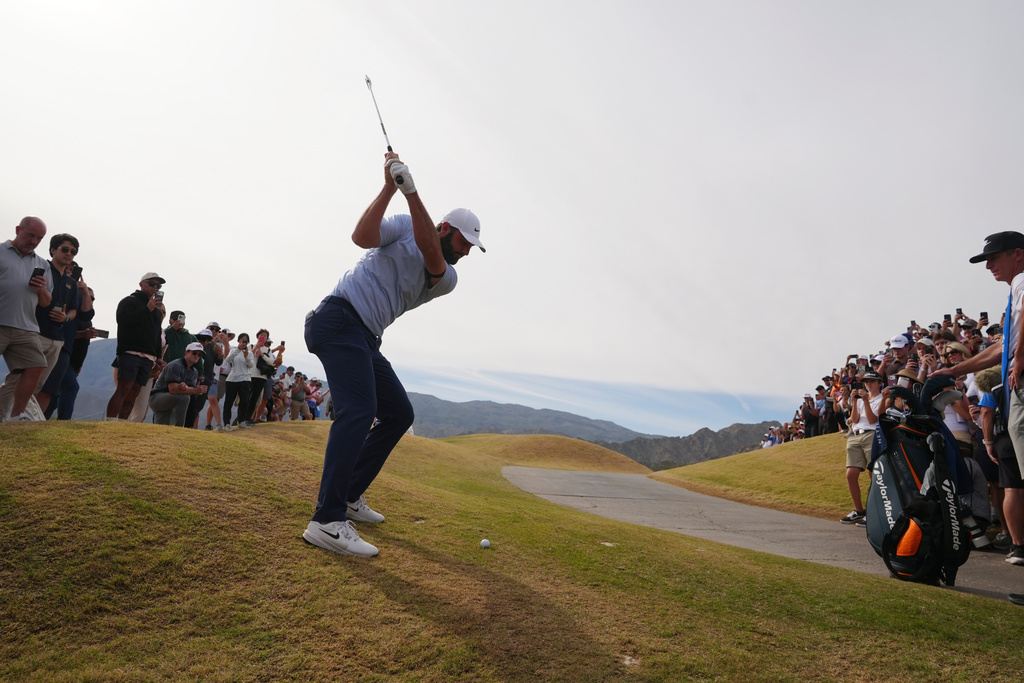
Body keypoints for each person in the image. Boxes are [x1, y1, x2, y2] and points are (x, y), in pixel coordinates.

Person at [301, 152, 484, 558]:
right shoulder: (403, 226)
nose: (467, 252)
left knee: (399, 413)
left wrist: (411, 191)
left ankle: (348, 496)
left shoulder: (447, 276)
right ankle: (327, 521)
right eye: (464, 242)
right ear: (446, 228)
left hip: (365, 338)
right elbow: (361, 238)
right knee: (359, 410)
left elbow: (431, 254)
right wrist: (388, 188)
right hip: (338, 319)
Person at [933, 232, 1024, 575]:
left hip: (1021, 389)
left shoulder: (1022, 281)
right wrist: (955, 368)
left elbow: (1011, 349)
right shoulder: (1013, 289)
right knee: (1015, 483)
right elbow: (1000, 349)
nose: (989, 266)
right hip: (1014, 395)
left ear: (1018, 254)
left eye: (994, 257)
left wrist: (1021, 358)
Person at [0, 217, 53, 421]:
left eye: (39, 238)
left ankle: (16, 416)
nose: (34, 241)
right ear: (17, 230)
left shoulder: (41, 264)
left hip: (26, 326)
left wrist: (41, 290)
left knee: (37, 365)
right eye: (31, 235)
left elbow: (46, 302)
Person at [106, 273, 165, 420]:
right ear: (141, 284)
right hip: (130, 352)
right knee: (124, 387)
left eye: (158, 286)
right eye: (152, 284)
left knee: (135, 390)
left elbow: (156, 334)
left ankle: (122, 422)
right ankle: (110, 421)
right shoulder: (129, 301)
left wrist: (158, 356)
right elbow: (123, 320)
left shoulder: (157, 312)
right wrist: (147, 309)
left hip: (148, 356)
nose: (155, 288)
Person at [840, 371, 883, 527]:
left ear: (879, 382)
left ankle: (876, 511)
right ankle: (859, 511)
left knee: (874, 474)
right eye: (866, 381)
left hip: (871, 435)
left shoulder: (881, 398)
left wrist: (865, 401)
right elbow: (855, 418)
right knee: (851, 474)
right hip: (855, 435)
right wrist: (854, 401)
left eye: (872, 381)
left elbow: (872, 420)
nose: (868, 384)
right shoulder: (858, 399)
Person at [149, 342, 206, 426]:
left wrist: (186, 388)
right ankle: (179, 428)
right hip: (157, 397)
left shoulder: (194, 371)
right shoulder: (175, 365)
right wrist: (193, 390)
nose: (197, 356)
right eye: (194, 353)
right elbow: (173, 390)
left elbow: (189, 391)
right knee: (184, 398)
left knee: (163, 430)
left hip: (169, 400)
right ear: (186, 352)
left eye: (199, 355)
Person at [222, 332, 255, 431]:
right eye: (242, 340)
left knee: (244, 402)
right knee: (229, 402)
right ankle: (227, 424)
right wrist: (238, 350)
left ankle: (241, 422)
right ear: (238, 341)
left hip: (245, 379)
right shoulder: (233, 351)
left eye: (246, 341)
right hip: (232, 379)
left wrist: (246, 356)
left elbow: (251, 365)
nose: (244, 343)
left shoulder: (250, 353)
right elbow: (227, 360)